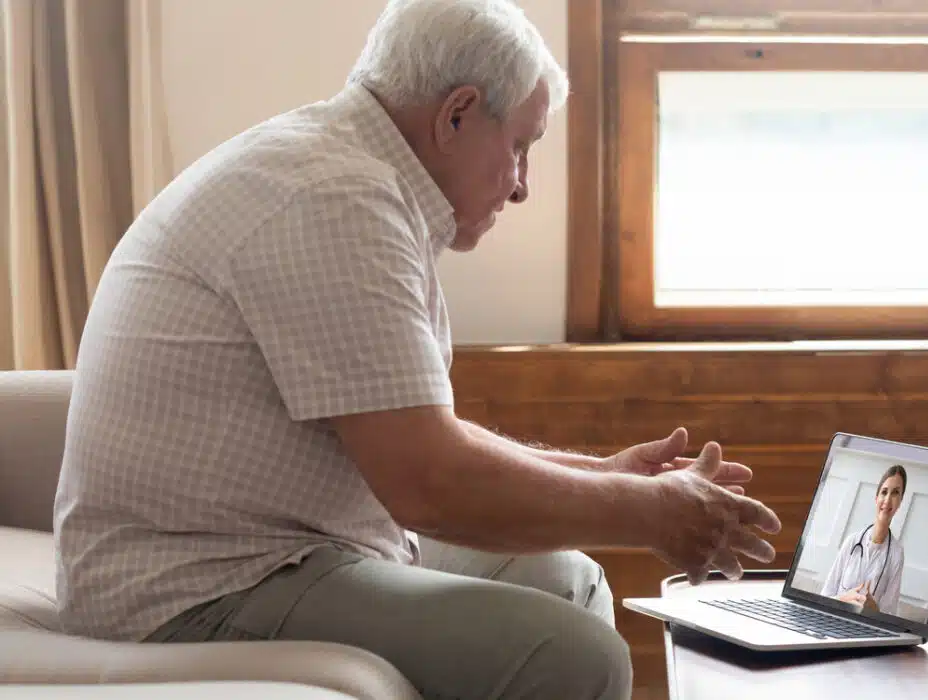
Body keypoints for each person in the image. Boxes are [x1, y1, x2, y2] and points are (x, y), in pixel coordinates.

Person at [51, 1, 782, 699]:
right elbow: (428, 482)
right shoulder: (335, 200)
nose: (523, 185)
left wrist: (605, 476)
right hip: (197, 583)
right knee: (574, 654)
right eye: (520, 146)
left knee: (566, 577)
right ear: (456, 113)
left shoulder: (342, 171)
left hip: (277, 541)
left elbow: (415, 433)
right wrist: (647, 511)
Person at [819, 465, 907, 616]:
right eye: (884, 492)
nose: (887, 499)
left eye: (895, 493)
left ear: (900, 502)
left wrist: (873, 608)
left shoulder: (897, 553)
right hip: (834, 619)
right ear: (876, 498)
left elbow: (890, 614)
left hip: (867, 628)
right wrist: (845, 598)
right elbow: (824, 597)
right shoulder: (851, 541)